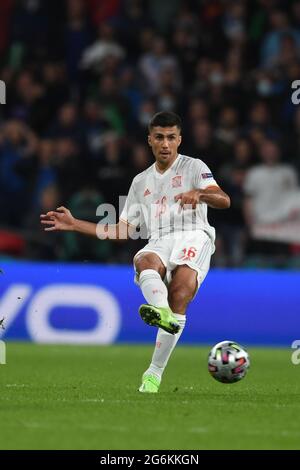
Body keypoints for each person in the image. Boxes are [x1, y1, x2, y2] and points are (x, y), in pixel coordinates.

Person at [41, 111, 230, 393]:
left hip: (194, 235)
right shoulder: (141, 182)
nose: (165, 143)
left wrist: (200, 195)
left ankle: (154, 373)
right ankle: (162, 312)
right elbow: (122, 230)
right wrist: (74, 224)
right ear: (150, 140)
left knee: (180, 292)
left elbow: (224, 200)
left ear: (179, 140)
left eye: (170, 137)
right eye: (159, 137)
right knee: (144, 259)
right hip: (160, 238)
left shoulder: (194, 167)